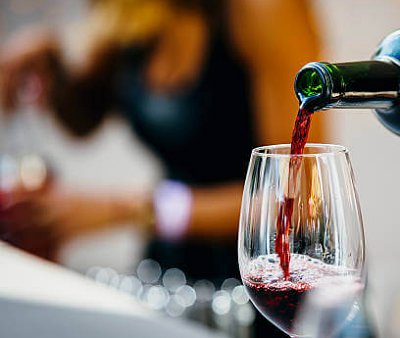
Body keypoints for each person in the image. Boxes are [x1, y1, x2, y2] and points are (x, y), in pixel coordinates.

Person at [0, 0, 324, 297]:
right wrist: (48, 58)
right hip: (174, 275)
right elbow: (84, 116)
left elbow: (296, 200)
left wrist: (125, 209)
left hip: (270, 281)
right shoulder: (136, 13)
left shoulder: (262, 10)